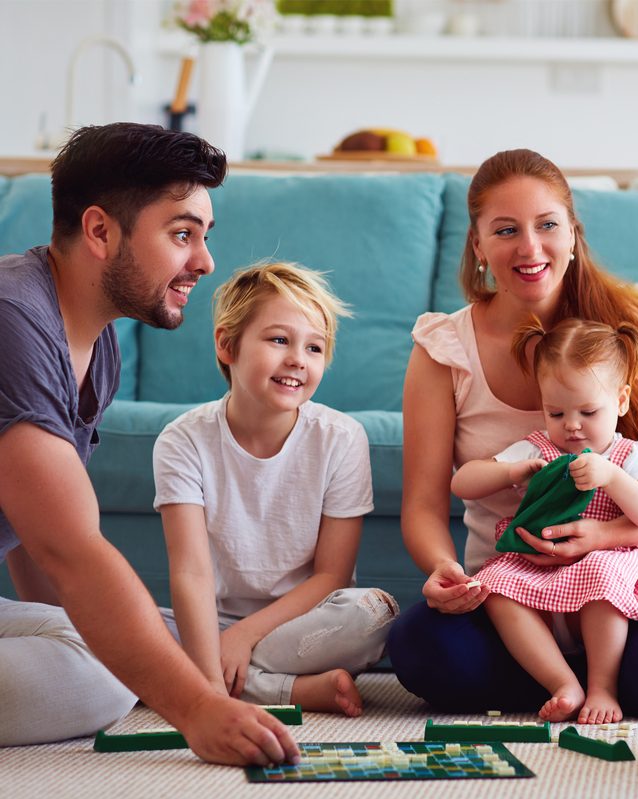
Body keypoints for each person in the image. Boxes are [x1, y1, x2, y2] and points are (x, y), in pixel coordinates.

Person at [387, 148, 638, 720]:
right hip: (509, 587)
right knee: (421, 651)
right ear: (477, 244)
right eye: (505, 230)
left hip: (614, 584)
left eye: (547, 225)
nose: (530, 248)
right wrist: (443, 569)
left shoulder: (627, 329)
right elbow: (424, 503)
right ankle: (572, 682)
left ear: (573, 232)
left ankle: (596, 678)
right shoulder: (443, 349)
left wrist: (599, 537)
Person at [0, 122, 300, 765]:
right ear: (101, 231)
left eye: (203, 237)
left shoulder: (93, 339)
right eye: (181, 234)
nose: (206, 262)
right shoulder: (12, 320)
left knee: (137, 641)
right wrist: (196, 709)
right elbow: (69, 550)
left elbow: (32, 531)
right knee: (108, 673)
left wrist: (91, 631)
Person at [153, 262, 398, 718]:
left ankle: (203, 678)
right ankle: (285, 690)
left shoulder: (341, 438)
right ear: (227, 345)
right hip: (211, 622)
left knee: (374, 612)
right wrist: (217, 652)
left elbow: (331, 576)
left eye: (315, 347)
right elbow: (190, 574)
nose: (297, 360)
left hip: (304, 624)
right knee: (112, 636)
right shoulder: (183, 440)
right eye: (279, 340)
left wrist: (243, 639)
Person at [453, 316, 638, 724]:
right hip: (537, 565)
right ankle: (562, 682)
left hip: (606, 560)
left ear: (621, 401)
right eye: (555, 412)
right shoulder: (537, 447)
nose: (571, 425)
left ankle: (603, 686)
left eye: (588, 411)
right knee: (496, 589)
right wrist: (511, 472)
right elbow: (463, 482)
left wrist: (612, 478)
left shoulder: (628, 454)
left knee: (603, 578)